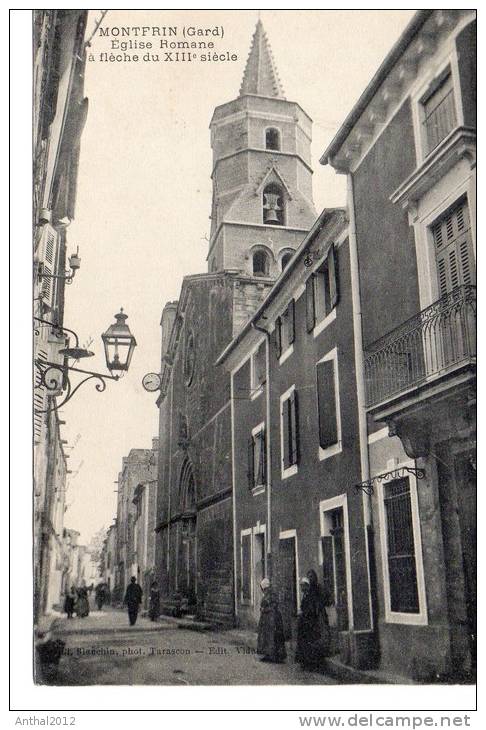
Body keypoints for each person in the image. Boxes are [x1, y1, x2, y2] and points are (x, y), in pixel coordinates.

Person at [295, 571, 330, 670]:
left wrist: (305, 613)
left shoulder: (314, 592)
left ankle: (312, 662)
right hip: (307, 621)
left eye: (311, 577)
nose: (302, 588)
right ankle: (306, 661)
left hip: (312, 620)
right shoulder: (306, 594)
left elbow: (313, 607)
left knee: (312, 640)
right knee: (306, 641)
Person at [256, 578, 286, 663]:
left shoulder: (271, 594)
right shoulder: (267, 594)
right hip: (267, 618)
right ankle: (268, 654)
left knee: (272, 636)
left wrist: (264, 609)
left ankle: (275, 655)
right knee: (267, 636)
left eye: (264, 588)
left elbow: (273, 605)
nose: (263, 590)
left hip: (272, 618)